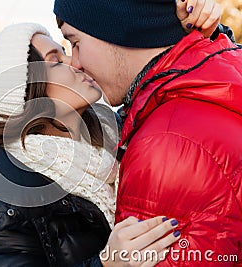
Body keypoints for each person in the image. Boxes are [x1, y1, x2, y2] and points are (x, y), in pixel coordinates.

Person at [0, 23, 181, 267]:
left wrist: (202, 30)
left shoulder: (128, 132)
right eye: (55, 60)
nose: (75, 61)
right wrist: (106, 264)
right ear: (26, 93)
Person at [54, 0, 242, 266]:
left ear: (115, 28)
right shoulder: (218, 80)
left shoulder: (163, 146)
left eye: (75, 42)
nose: (75, 63)